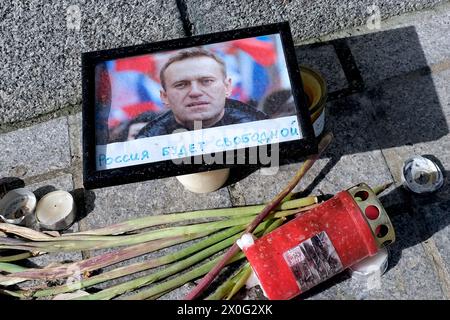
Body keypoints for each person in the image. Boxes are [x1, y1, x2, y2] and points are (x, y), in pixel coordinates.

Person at [136, 48, 268, 138]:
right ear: (164, 97)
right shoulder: (145, 142)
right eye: (181, 85)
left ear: (227, 87)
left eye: (206, 81)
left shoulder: (266, 133)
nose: (195, 92)